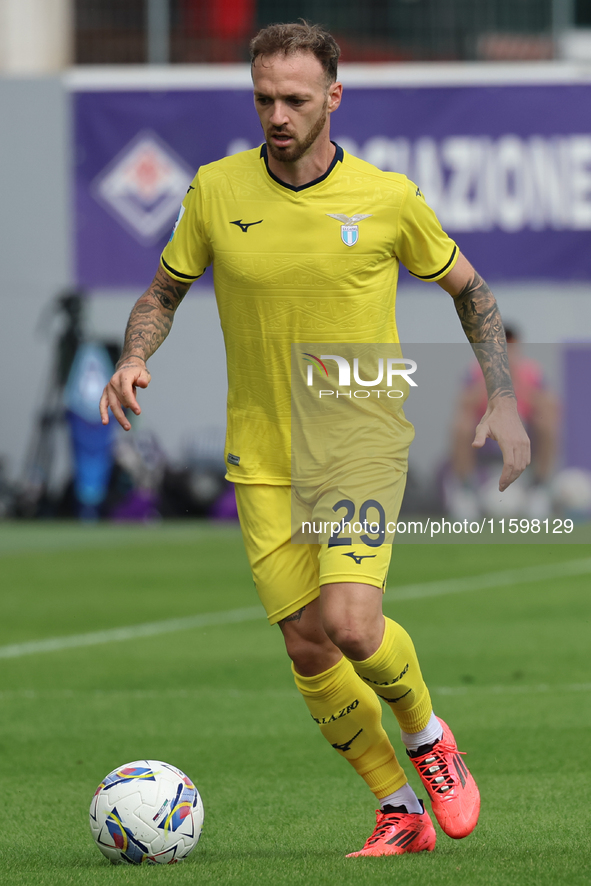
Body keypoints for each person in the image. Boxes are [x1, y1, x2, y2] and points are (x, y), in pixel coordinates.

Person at [100, 21, 530, 858]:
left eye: (295, 99)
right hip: (261, 452)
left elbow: (472, 294)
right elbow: (163, 290)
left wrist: (503, 398)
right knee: (306, 644)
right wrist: (132, 356)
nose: (277, 115)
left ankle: (426, 732)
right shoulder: (216, 192)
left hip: (359, 435)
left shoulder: (386, 198)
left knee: (352, 625)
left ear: (334, 96)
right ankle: (398, 810)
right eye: (263, 98)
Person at [446, 325, 557, 520]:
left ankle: (539, 488)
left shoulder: (530, 371)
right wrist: (493, 379)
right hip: (486, 427)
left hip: (523, 426)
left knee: (547, 424)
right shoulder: (477, 370)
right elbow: (463, 403)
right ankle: (465, 490)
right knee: (461, 425)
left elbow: (549, 404)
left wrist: (516, 381)